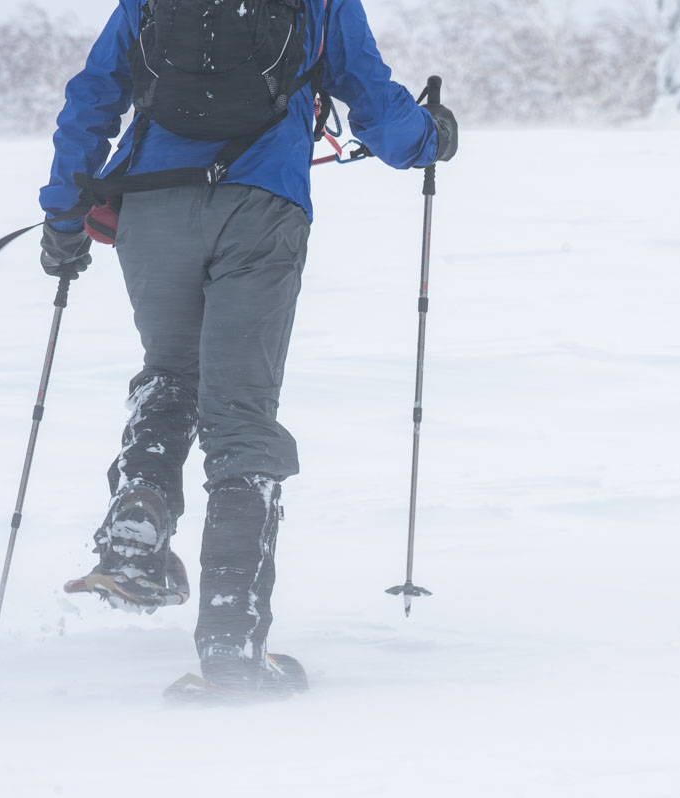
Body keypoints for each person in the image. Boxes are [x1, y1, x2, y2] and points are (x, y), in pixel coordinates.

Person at [38, 0, 458, 694]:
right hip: (262, 206)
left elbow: (94, 94)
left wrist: (63, 212)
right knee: (240, 414)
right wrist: (431, 138)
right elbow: (376, 107)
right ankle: (232, 644)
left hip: (150, 203)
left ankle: (135, 537)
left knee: (170, 375)